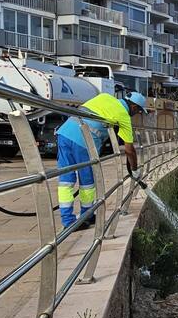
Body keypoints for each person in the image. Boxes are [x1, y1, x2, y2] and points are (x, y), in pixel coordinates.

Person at [55, 84, 147, 229]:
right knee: (87, 182)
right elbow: (130, 150)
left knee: (66, 181)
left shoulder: (104, 97)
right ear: (135, 108)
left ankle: (68, 220)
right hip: (83, 142)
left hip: (64, 134)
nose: (137, 114)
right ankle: (86, 216)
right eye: (139, 112)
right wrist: (135, 170)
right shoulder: (123, 116)